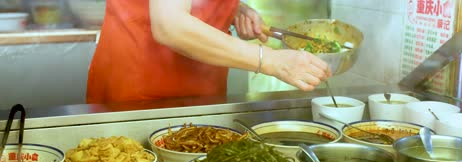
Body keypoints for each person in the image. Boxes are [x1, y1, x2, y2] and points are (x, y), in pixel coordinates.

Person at [86, 0, 331, 104]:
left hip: (199, 89)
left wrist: (232, 8)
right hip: (141, 88)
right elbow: (170, 25)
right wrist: (270, 59)